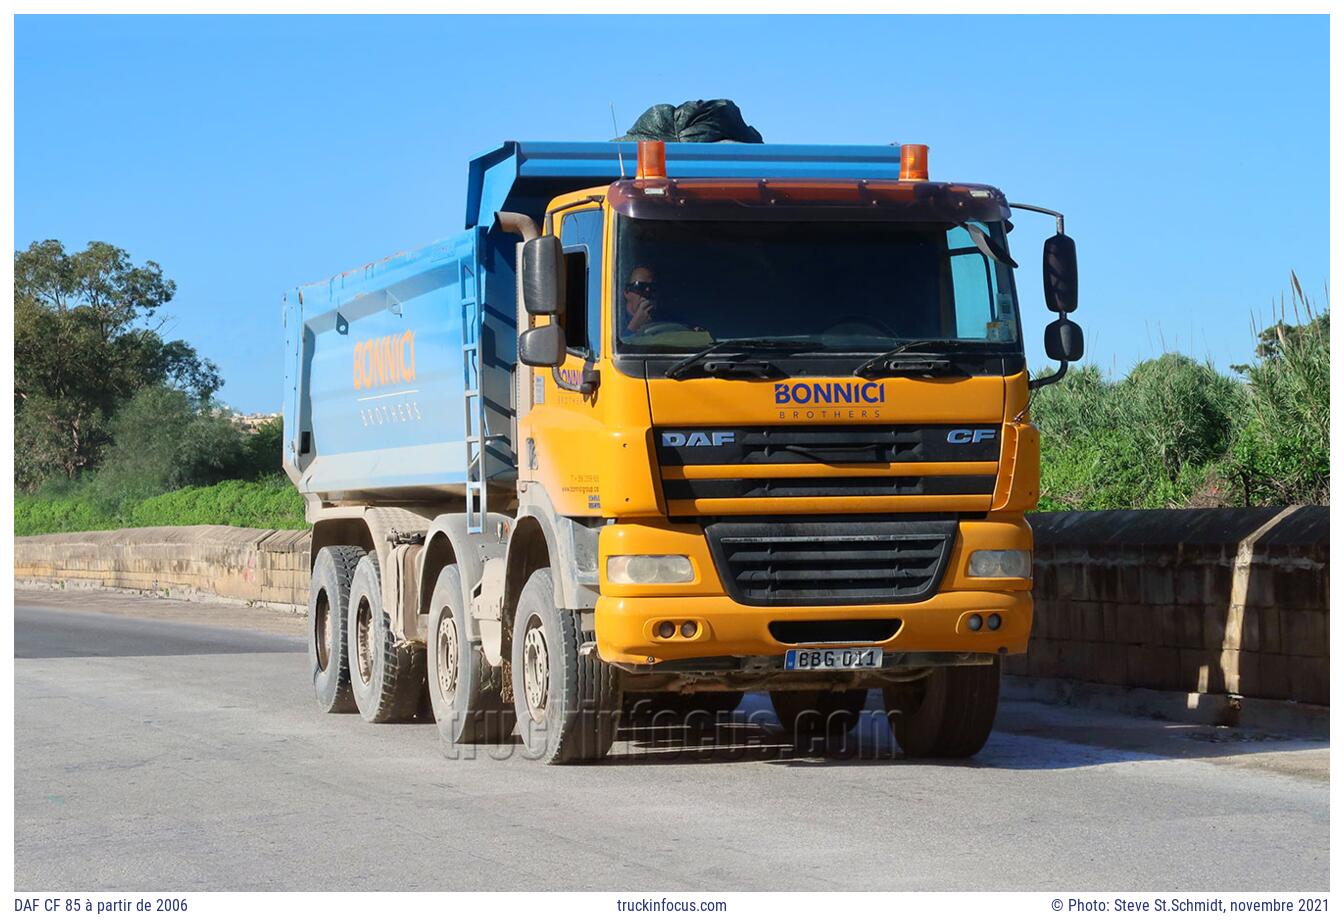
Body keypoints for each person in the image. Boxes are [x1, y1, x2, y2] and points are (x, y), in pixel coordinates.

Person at [623, 266, 658, 335]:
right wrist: (634, 326)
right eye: (641, 287)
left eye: (651, 287)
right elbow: (617, 345)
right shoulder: (615, 323)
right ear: (627, 293)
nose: (647, 292)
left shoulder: (661, 320)